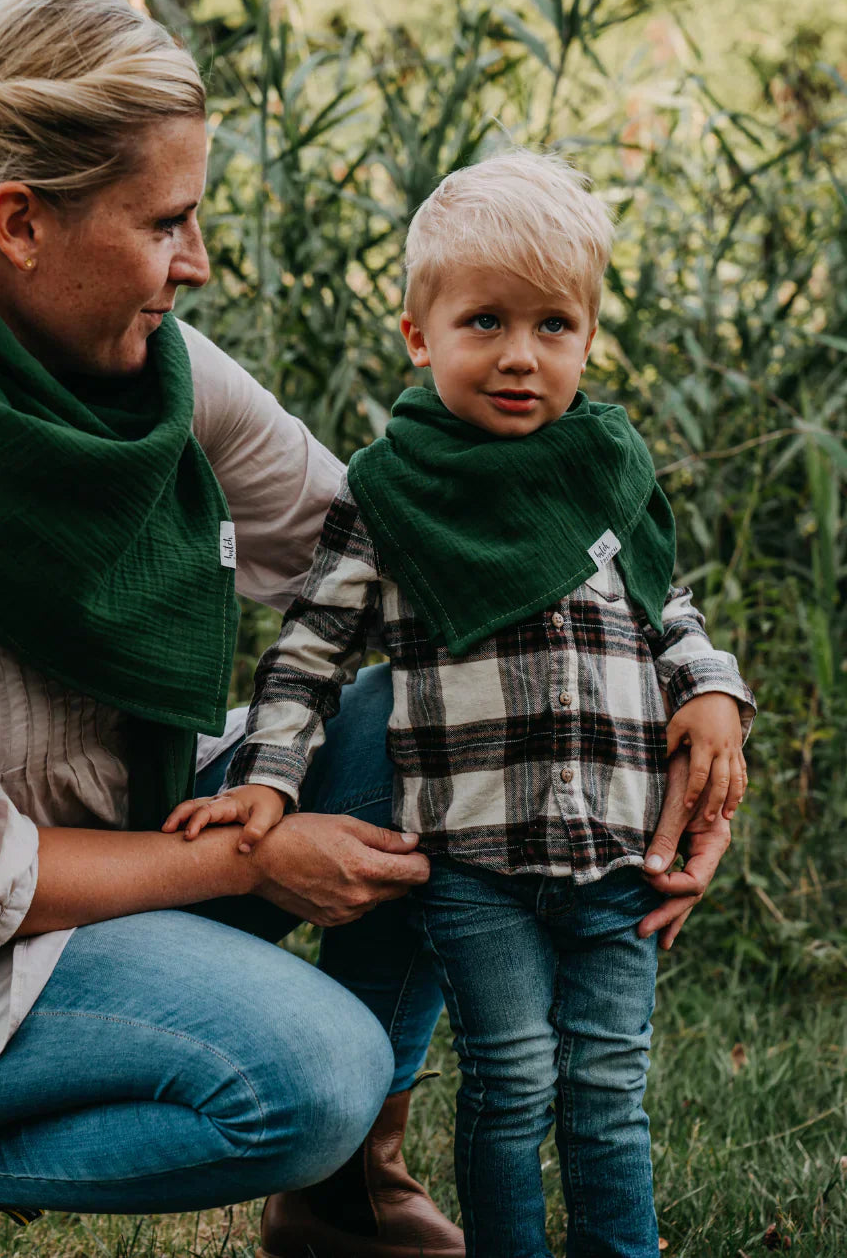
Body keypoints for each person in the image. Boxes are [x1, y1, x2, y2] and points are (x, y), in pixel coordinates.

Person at [0, 0, 467, 1258]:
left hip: (108, 834)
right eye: (167, 224)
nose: (195, 265)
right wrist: (257, 853)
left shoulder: (154, 380)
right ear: (22, 222)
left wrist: (684, 678)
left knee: (436, 725)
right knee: (311, 1073)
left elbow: (396, 559)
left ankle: (346, 1206)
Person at [165, 149, 756, 1257]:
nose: (521, 357)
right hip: (476, 864)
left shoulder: (605, 470)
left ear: (588, 337)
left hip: (615, 849)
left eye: (554, 326)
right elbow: (311, 655)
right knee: (513, 1075)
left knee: (608, 1082)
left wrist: (713, 689)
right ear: (417, 337)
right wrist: (270, 785)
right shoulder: (392, 498)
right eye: (484, 322)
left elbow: (665, 605)